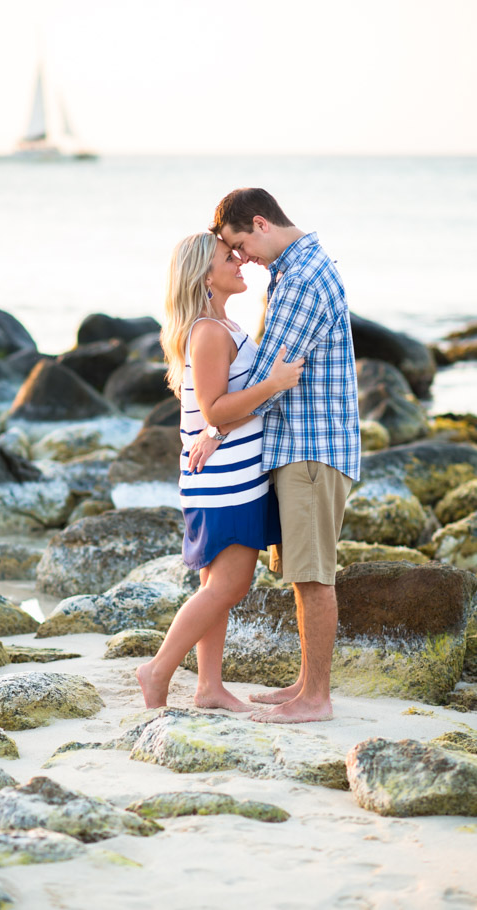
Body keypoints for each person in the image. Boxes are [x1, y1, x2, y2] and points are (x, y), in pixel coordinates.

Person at [188, 188, 361, 724]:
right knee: (302, 572)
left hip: (312, 448)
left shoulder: (302, 280)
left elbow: (270, 379)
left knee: (313, 576)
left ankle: (316, 699)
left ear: (261, 224)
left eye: (242, 244)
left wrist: (216, 427)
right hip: (300, 447)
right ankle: (307, 684)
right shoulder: (295, 270)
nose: (245, 259)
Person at [135, 232, 304, 712]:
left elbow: (217, 416)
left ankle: (209, 687)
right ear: (204, 275)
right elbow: (215, 408)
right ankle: (157, 669)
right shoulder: (208, 332)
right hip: (224, 481)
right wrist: (272, 384)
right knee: (228, 587)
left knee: (217, 588)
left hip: (228, 472)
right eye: (227, 257)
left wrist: (220, 427)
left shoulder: (222, 325)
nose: (239, 261)